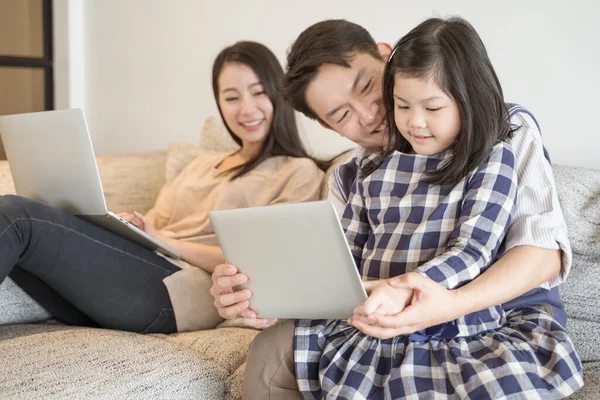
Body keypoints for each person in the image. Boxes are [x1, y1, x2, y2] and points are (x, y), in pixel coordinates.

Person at [210, 19, 581, 398]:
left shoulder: (502, 131)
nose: (369, 114)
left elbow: (543, 254)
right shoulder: (353, 175)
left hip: (495, 310)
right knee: (272, 350)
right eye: (342, 115)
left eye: (368, 86)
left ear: (388, 58)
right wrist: (264, 298)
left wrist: (448, 304)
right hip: (384, 311)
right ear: (326, 125)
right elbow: (340, 276)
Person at [0, 41, 324, 334]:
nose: (246, 109)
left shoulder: (297, 172)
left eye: (258, 92)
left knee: (16, 216)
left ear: (278, 93)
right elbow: (154, 225)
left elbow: (265, 261)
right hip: (137, 266)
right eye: (231, 97)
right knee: (26, 221)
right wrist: (133, 226)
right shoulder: (199, 164)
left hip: (177, 289)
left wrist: (165, 240)